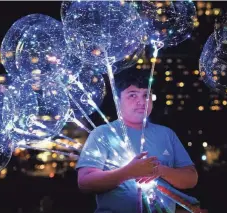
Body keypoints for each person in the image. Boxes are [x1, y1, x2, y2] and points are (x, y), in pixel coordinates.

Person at [75, 66, 198, 213]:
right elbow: (85, 183)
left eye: (146, 95)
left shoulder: (166, 134)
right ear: (117, 100)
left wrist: (160, 170)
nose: (142, 102)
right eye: (132, 95)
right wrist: (129, 172)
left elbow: (191, 178)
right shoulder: (102, 133)